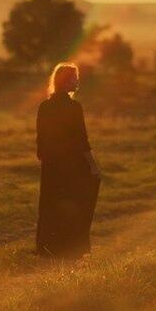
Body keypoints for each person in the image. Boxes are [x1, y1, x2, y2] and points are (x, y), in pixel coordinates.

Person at [35, 62, 100, 258]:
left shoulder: (44, 106)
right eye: (74, 78)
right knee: (76, 203)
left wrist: (47, 158)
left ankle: (48, 248)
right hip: (72, 165)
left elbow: (40, 139)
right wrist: (93, 165)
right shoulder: (74, 107)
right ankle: (73, 246)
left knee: (50, 204)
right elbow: (82, 139)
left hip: (50, 165)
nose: (77, 82)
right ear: (64, 82)